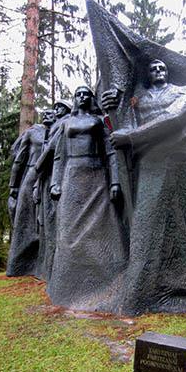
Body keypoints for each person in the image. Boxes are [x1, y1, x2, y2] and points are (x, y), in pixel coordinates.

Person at [102, 59, 186, 315]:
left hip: (183, 159)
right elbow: (124, 125)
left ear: (168, 71)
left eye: (162, 67)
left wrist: (131, 137)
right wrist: (111, 109)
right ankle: (141, 293)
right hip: (151, 163)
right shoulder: (138, 98)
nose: (158, 70)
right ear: (148, 74)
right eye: (152, 68)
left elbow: (173, 118)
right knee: (146, 223)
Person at [47, 86, 128, 309]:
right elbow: (58, 156)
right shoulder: (65, 124)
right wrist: (55, 182)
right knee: (69, 229)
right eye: (78, 94)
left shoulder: (100, 121)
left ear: (91, 98)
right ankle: (68, 283)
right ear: (74, 99)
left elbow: (110, 152)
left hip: (96, 174)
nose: (82, 97)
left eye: (86, 94)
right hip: (72, 174)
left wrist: (114, 181)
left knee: (103, 228)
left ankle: (110, 279)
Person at [7, 109, 55, 276]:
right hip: (31, 175)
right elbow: (19, 160)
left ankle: (45, 264)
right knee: (25, 219)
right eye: (47, 113)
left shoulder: (60, 129)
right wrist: (13, 185)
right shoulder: (33, 132)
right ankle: (19, 263)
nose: (50, 115)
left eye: (53, 113)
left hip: (51, 176)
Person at [34, 100, 72, 280]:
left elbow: (52, 151)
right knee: (48, 224)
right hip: (49, 176)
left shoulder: (64, 123)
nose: (55, 111)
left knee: (53, 223)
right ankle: (48, 269)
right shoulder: (55, 126)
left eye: (59, 108)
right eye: (55, 107)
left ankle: (53, 270)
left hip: (57, 176)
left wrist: (38, 168)